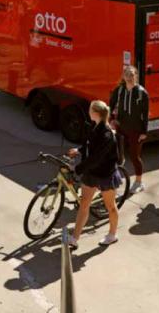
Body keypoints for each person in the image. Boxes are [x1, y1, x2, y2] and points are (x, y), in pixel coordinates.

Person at [66, 100, 121, 249]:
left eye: (90, 109)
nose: (88, 111)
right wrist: (79, 150)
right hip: (91, 172)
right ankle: (74, 238)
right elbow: (89, 146)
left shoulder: (107, 134)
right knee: (84, 203)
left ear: (96, 113)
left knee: (110, 206)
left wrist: (79, 168)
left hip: (105, 174)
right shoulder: (94, 126)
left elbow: (96, 157)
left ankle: (112, 234)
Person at [109, 65, 149, 193]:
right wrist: (112, 120)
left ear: (136, 75)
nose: (129, 77)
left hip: (136, 130)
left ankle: (139, 182)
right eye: (127, 75)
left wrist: (144, 132)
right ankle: (117, 178)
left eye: (132, 75)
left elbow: (145, 113)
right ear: (123, 77)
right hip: (121, 128)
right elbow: (111, 104)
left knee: (134, 156)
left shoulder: (142, 93)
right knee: (118, 155)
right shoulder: (119, 90)